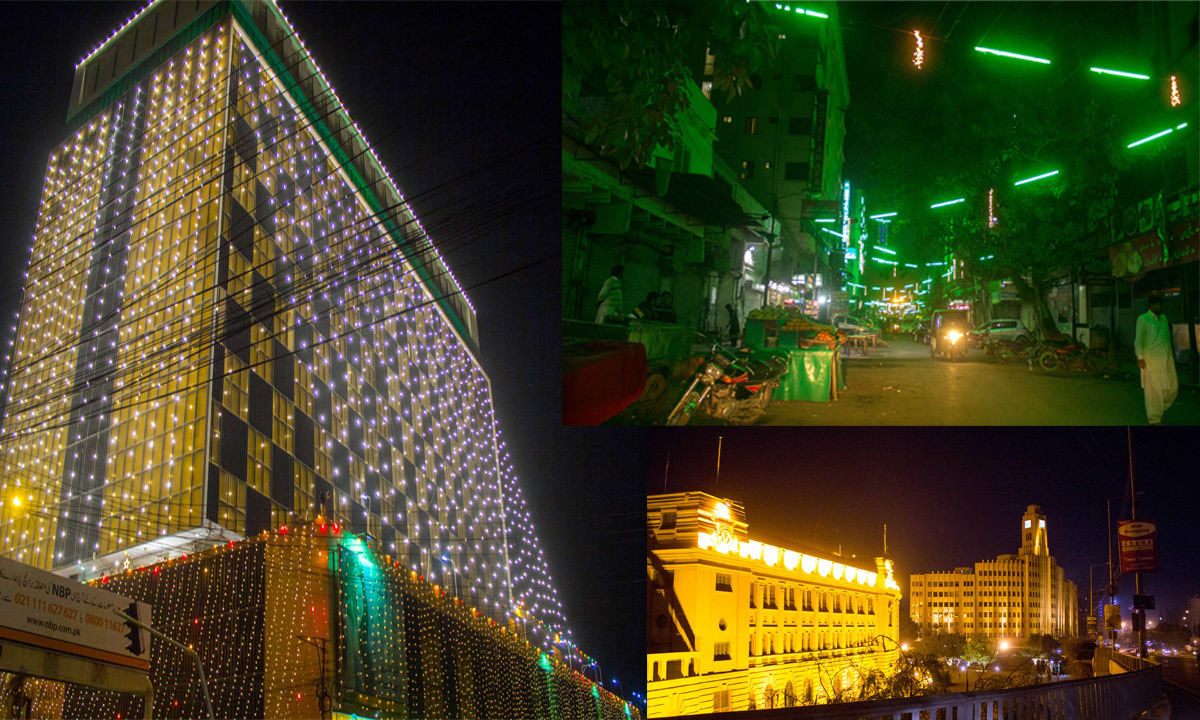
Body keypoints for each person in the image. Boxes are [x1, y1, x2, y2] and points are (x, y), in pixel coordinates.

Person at [1134, 293, 1177, 425]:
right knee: (1154, 390)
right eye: (1159, 304)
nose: (1161, 307)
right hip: (1151, 360)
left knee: (1172, 387)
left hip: (1166, 358)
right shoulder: (1143, 319)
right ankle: (1154, 418)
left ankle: (1161, 409)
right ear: (1151, 305)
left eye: (1162, 305)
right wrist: (1140, 358)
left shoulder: (1163, 318)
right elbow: (1139, 340)